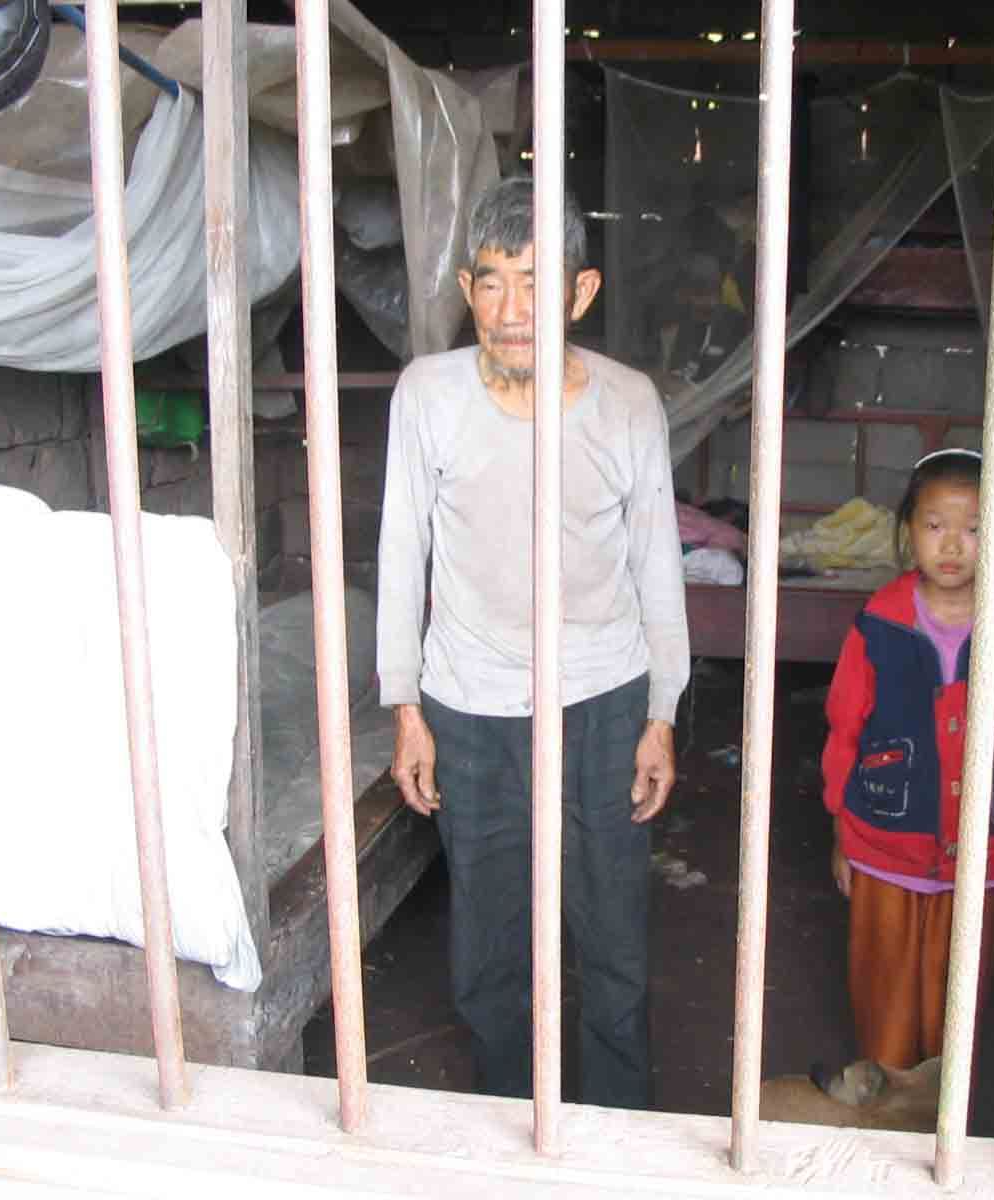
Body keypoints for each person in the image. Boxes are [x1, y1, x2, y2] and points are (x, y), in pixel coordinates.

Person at [375, 176, 690, 1110]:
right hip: (470, 706)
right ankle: (510, 1129)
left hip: (604, 698)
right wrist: (405, 706)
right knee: (488, 946)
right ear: (467, 290)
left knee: (613, 940)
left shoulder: (628, 403)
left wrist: (663, 712)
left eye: (535, 282)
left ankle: (618, 1135)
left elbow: (658, 563)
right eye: (492, 282)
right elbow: (401, 551)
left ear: (579, 293)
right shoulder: (428, 395)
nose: (513, 311)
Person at [820, 447, 994, 1069]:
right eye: (935, 525)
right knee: (884, 1008)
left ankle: (939, 1116)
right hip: (884, 846)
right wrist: (842, 833)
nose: (953, 545)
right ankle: (885, 1104)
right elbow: (844, 730)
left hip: (983, 853)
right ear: (909, 531)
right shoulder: (878, 622)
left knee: (955, 1014)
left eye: (975, 528)